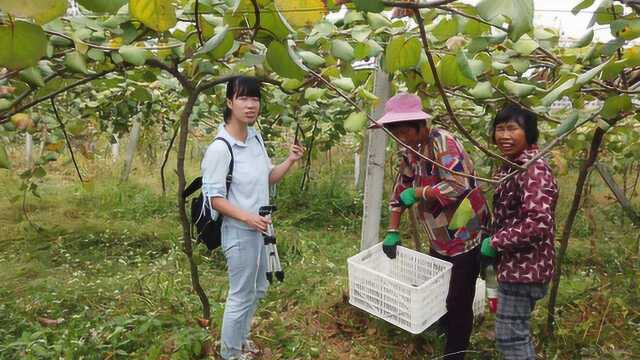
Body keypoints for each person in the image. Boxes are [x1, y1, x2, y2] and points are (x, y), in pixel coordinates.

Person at [376, 93, 489, 360]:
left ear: (421, 126)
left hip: (464, 234)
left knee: (459, 299)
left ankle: (455, 352)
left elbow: (458, 185)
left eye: (405, 132)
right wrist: (392, 231)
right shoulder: (409, 151)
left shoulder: (444, 143)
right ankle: (444, 334)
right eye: (396, 134)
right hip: (438, 234)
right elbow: (399, 192)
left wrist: (419, 194)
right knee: (442, 288)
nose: (401, 138)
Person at [200, 76, 304, 360]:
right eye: (243, 98)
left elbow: (267, 177)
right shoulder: (221, 149)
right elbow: (215, 199)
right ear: (229, 102)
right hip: (239, 231)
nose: (250, 105)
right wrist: (247, 218)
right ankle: (230, 354)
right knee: (241, 293)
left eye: (255, 99)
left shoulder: (255, 137)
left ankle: (240, 342)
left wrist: (290, 161)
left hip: (260, 229)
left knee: (258, 289)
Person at [481, 104, 558, 360]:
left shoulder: (533, 169)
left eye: (512, 129)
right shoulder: (511, 166)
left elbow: (538, 222)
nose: (504, 136)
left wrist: (496, 241)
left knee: (511, 339)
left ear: (529, 133)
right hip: (515, 266)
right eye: (500, 129)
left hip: (524, 269)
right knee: (514, 333)